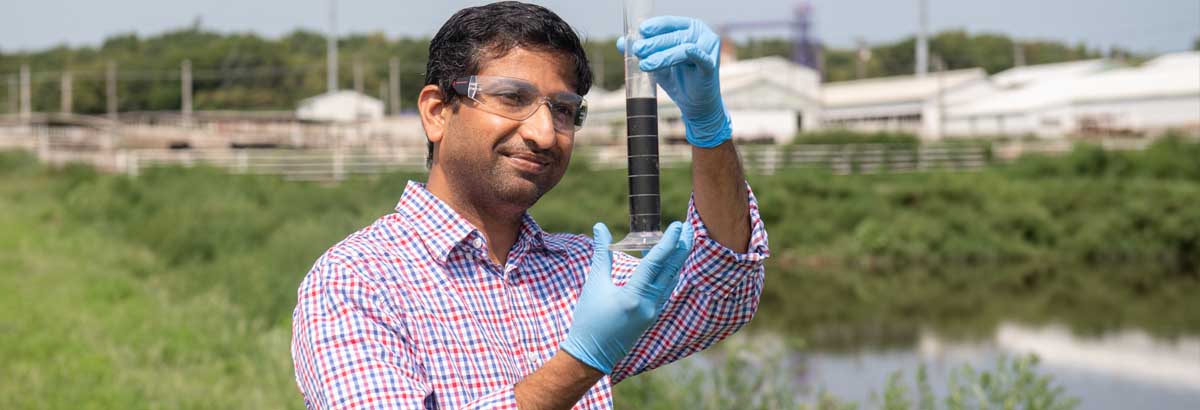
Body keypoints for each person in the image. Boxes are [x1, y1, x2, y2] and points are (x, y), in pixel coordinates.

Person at [291, 2, 769, 409]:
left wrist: (708, 127)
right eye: (512, 98)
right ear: (437, 112)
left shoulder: (578, 271)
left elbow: (721, 293)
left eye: (563, 110)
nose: (543, 133)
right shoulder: (356, 280)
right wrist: (581, 363)